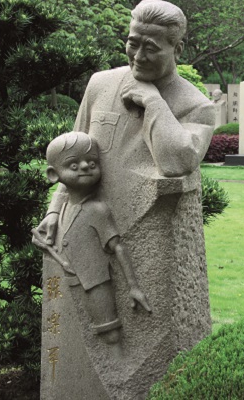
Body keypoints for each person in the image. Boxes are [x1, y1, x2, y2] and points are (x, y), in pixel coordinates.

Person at [35, 0, 214, 244]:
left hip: (151, 238)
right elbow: (73, 155)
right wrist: (56, 210)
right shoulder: (100, 84)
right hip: (90, 230)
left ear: (178, 50)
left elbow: (176, 162)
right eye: (133, 44)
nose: (139, 57)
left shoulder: (196, 106)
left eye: (151, 48)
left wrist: (153, 102)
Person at [34, 132, 152, 345]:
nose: (86, 167)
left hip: (97, 283)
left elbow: (118, 248)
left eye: (92, 162)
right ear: (54, 174)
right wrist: (44, 244)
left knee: (110, 334)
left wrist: (133, 287)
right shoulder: (63, 210)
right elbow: (65, 242)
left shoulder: (97, 210)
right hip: (73, 281)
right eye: (73, 165)